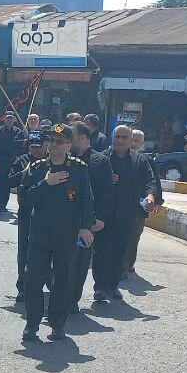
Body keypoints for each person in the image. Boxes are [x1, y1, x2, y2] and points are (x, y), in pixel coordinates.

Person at [18, 123, 95, 341]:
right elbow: (25, 199)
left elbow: (87, 200)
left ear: (69, 145)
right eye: (50, 140)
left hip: (67, 235)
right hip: (40, 235)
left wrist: (85, 227)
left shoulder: (79, 169)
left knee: (63, 281)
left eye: (58, 141)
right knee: (33, 279)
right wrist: (46, 183)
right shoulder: (37, 168)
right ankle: (32, 323)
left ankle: (58, 323)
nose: (53, 145)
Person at [95, 125, 156, 302]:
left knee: (119, 251)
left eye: (124, 137)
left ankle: (113, 285)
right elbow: (90, 181)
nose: (120, 141)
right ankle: (100, 288)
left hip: (127, 213)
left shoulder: (139, 160)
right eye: (117, 137)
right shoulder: (102, 158)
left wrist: (150, 196)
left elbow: (149, 181)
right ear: (112, 137)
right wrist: (105, 179)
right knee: (101, 250)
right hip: (104, 214)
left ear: (130, 140)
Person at [69, 122, 114, 313]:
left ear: (83, 137)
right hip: (65, 220)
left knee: (80, 262)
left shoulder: (99, 161)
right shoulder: (66, 159)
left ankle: (72, 300)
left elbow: (106, 193)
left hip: (87, 222)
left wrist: (101, 218)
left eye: (71, 135)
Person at [10, 131, 49, 302]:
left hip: (48, 214)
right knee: (24, 251)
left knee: (48, 251)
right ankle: (23, 287)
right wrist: (23, 174)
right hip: (27, 212)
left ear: (46, 145)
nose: (35, 150)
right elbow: (8, 180)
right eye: (32, 146)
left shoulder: (53, 161)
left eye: (38, 146)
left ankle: (49, 283)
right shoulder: (22, 160)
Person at [122, 128, 164, 277]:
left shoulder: (146, 160)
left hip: (139, 205)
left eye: (137, 141)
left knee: (134, 235)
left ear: (142, 143)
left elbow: (154, 181)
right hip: (121, 204)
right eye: (131, 140)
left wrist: (157, 200)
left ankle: (127, 264)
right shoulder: (119, 157)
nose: (133, 143)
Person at [0, 111, 25, 214]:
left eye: (11, 118)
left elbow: (21, 147)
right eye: (8, 118)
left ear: (14, 120)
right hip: (1, 162)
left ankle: (4, 205)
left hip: (13, 163)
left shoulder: (19, 132)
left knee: (8, 185)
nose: (9, 120)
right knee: (0, 184)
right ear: (4, 119)